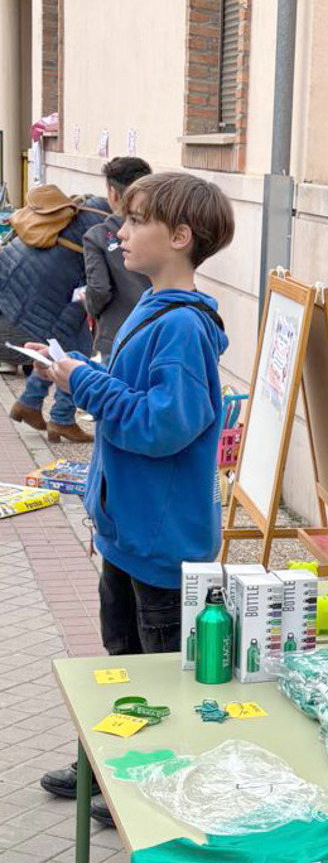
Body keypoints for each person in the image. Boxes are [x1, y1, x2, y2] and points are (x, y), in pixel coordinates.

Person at [38, 171, 235, 825]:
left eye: (135, 220)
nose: (118, 232)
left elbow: (162, 426)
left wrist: (84, 383)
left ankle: (154, 789)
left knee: (156, 675)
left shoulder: (182, 327)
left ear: (179, 237)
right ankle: (109, 770)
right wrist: (77, 373)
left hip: (161, 549)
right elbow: (135, 407)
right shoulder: (152, 308)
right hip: (129, 537)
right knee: (124, 665)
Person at [2, 184, 108, 442]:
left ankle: (30, 403)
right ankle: (60, 418)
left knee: (61, 346)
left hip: (16, 276)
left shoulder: (86, 205)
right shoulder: (105, 223)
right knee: (77, 349)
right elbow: (101, 283)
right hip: (41, 292)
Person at [82, 155, 153, 360]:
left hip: (117, 335)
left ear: (113, 193)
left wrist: (89, 303)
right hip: (159, 330)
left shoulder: (98, 236)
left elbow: (99, 289)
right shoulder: (164, 228)